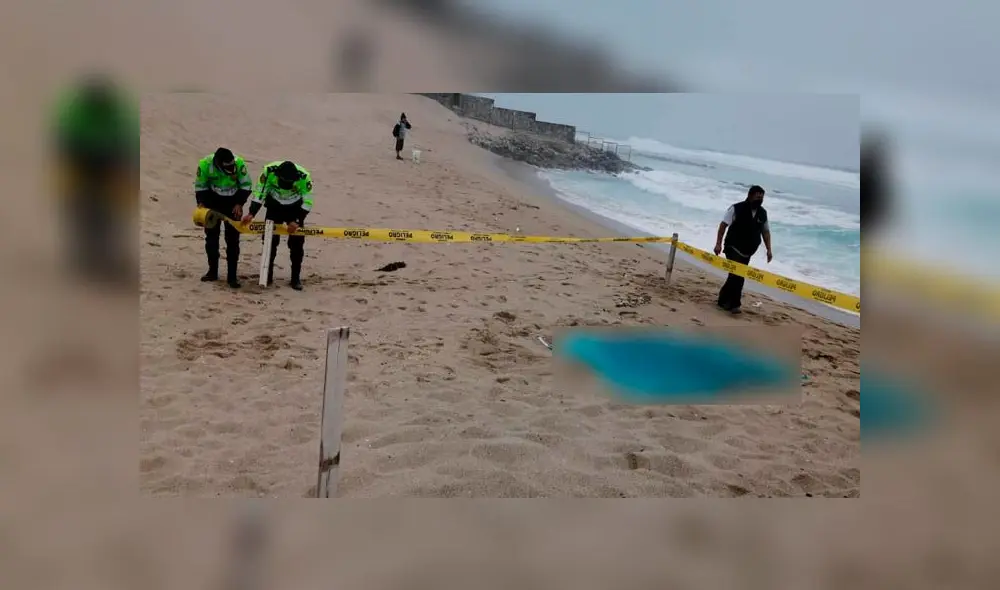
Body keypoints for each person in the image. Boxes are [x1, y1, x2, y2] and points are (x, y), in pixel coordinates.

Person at [52, 74, 139, 287]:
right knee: (82, 212)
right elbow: (65, 143)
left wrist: (125, 171)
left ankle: (105, 256)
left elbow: (127, 144)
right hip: (81, 162)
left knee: (108, 214)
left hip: (108, 164)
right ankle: (85, 255)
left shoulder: (116, 114)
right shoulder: (75, 113)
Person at [241, 160, 314, 290]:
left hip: (295, 208)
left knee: (297, 245)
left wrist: (297, 221)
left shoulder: (304, 177)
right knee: (269, 242)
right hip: (274, 207)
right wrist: (252, 213)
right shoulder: (268, 172)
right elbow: (260, 193)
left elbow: (307, 202)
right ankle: (267, 276)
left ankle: (295, 278)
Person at [195, 148, 253, 288]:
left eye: (232, 166)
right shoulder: (205, 165)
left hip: (233, 203)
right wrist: (201, 204)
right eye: (227, 167)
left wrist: (239, 203)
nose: (231, 169)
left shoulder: (239, 164)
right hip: (212, 202)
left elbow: (246, 185)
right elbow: (200, 187)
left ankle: (232, 277)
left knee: (233, 241)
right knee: (211, 239)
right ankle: (212, 272)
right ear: (218, 164)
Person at [713, 185, 772, 314]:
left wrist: (769, 249)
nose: (760, 199)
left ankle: (722, 300)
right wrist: (718, 244)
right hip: (732, 246)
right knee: (737, 274)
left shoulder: (762, 213)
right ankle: (734, 304)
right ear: (750, 195)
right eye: (757, 197)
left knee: (735, 274)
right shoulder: (736, 208)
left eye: (762, 197)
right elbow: (723, 225)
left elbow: (765, 232)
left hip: (748, 250)